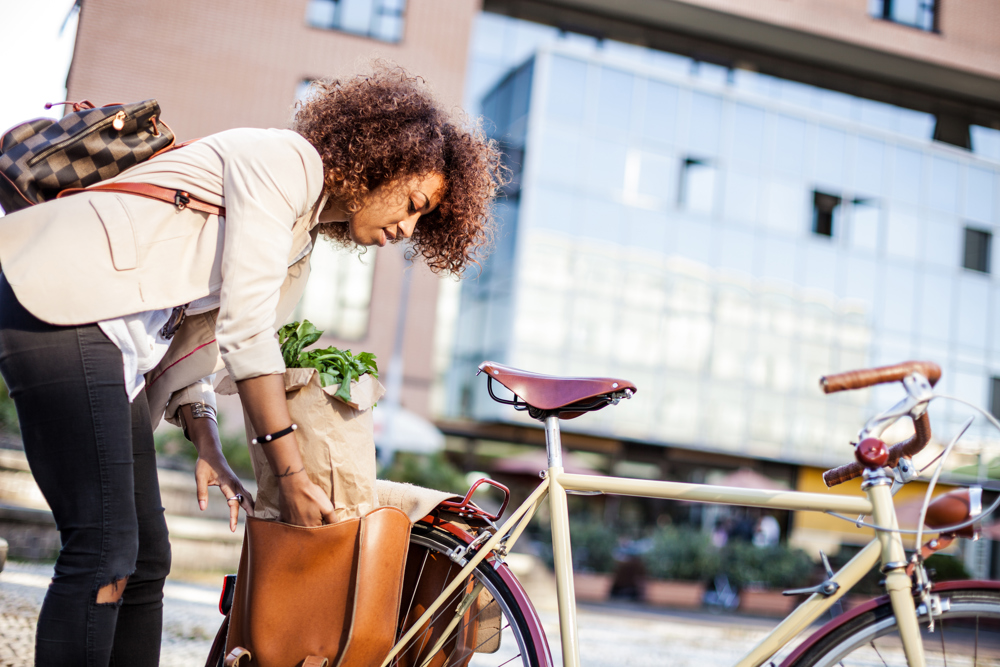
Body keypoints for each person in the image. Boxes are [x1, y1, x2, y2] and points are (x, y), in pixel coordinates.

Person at [0, 66, 503, 666]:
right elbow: (247, 331)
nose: (406, 229)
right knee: (104, 549)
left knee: (147, 562)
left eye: (424, 224)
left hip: (113, 343)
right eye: (414, 203)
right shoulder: (283, 162)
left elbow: (197, 345)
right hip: (62, 299)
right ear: (381, 160)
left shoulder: (300, 241)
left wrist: (208, 439)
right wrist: (290, 473)